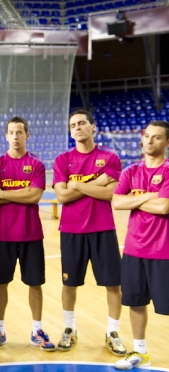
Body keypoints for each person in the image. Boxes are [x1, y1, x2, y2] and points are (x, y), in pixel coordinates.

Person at [52, 109, 126, 356]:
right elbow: (62, 196)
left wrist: (76, 184)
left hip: (103, 229)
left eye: (82, 123)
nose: (77, 127)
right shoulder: (63, 160)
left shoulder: (110, 157)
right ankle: (70, 329)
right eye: (73, 124)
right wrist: (98, 182)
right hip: (71, 231)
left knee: (113, 285)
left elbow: (111, 194)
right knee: (69, 284)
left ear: (93, 127)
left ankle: (113, 332)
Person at [0, 116, 55, 352]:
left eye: (19, 132)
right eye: (11, 133)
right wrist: (21, 190)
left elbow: (35, 196)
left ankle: (37, 330)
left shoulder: (36, 164)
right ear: (6, 136)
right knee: (0, 284)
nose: (15, 137)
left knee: (35, 284)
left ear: (27, 135)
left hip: (31, 234)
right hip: (3, 235)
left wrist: (6, 192)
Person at [112, 120, 169, 370]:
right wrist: (149, 196)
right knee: (135, 302)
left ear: (167, 142)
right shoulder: (131, 171)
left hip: (163, 251)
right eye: (147, 135)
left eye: (156, 137)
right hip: (134, 250)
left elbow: (164, 207)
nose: (149, 141)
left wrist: (133, 199)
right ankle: (140, 352)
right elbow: (116, 202)